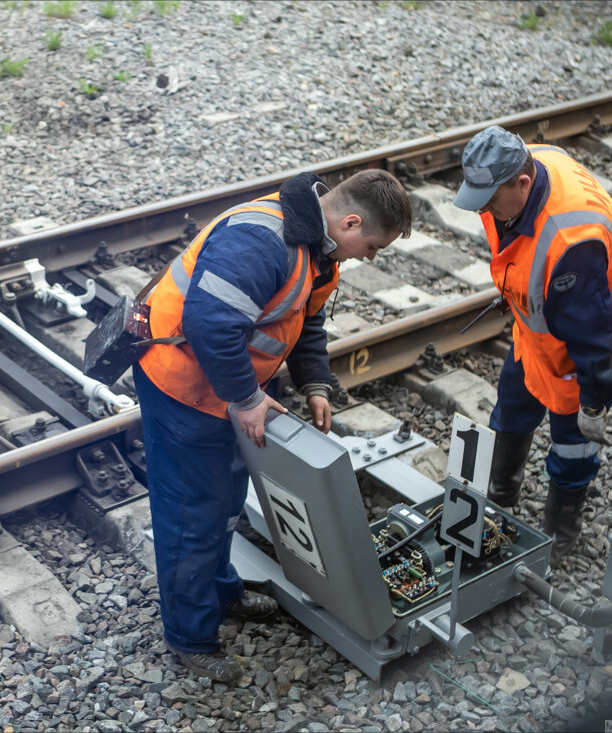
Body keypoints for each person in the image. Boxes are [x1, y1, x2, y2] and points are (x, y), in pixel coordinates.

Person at [134, 169, 413, 682]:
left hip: (231, 388)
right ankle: (190, 637)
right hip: (184, 388)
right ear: (350, 221)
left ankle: (222, 592)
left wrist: (316, 385)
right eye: (371, 246)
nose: (369, 257)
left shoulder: (320, 249)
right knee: (192, 514)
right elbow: (210, 322)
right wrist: (245, 398)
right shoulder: (260, 240)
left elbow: (305, 321)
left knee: (224, 499)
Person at [452, 126, 612, 563]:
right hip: (542, 323)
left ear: (522, 184)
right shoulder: (529, 161)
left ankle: (560, 535)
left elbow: (592, 335)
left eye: (488, 199)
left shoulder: (570, 244)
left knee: (573, 440)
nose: (482, 209)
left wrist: (595, 399)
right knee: (512, 402)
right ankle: (500, 497)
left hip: (594, 332)